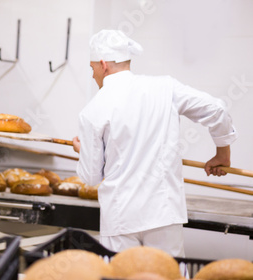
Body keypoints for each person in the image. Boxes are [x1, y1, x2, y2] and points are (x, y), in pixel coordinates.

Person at [72, 30, 238, 257]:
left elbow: (91, 178)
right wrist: (222, 154)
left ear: (103, 65)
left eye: (92, 69)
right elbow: (217, 109)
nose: (92, 76)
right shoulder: (165, 88)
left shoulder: (92, 109)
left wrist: (84, 152)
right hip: (164, 212)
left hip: (121, 217)